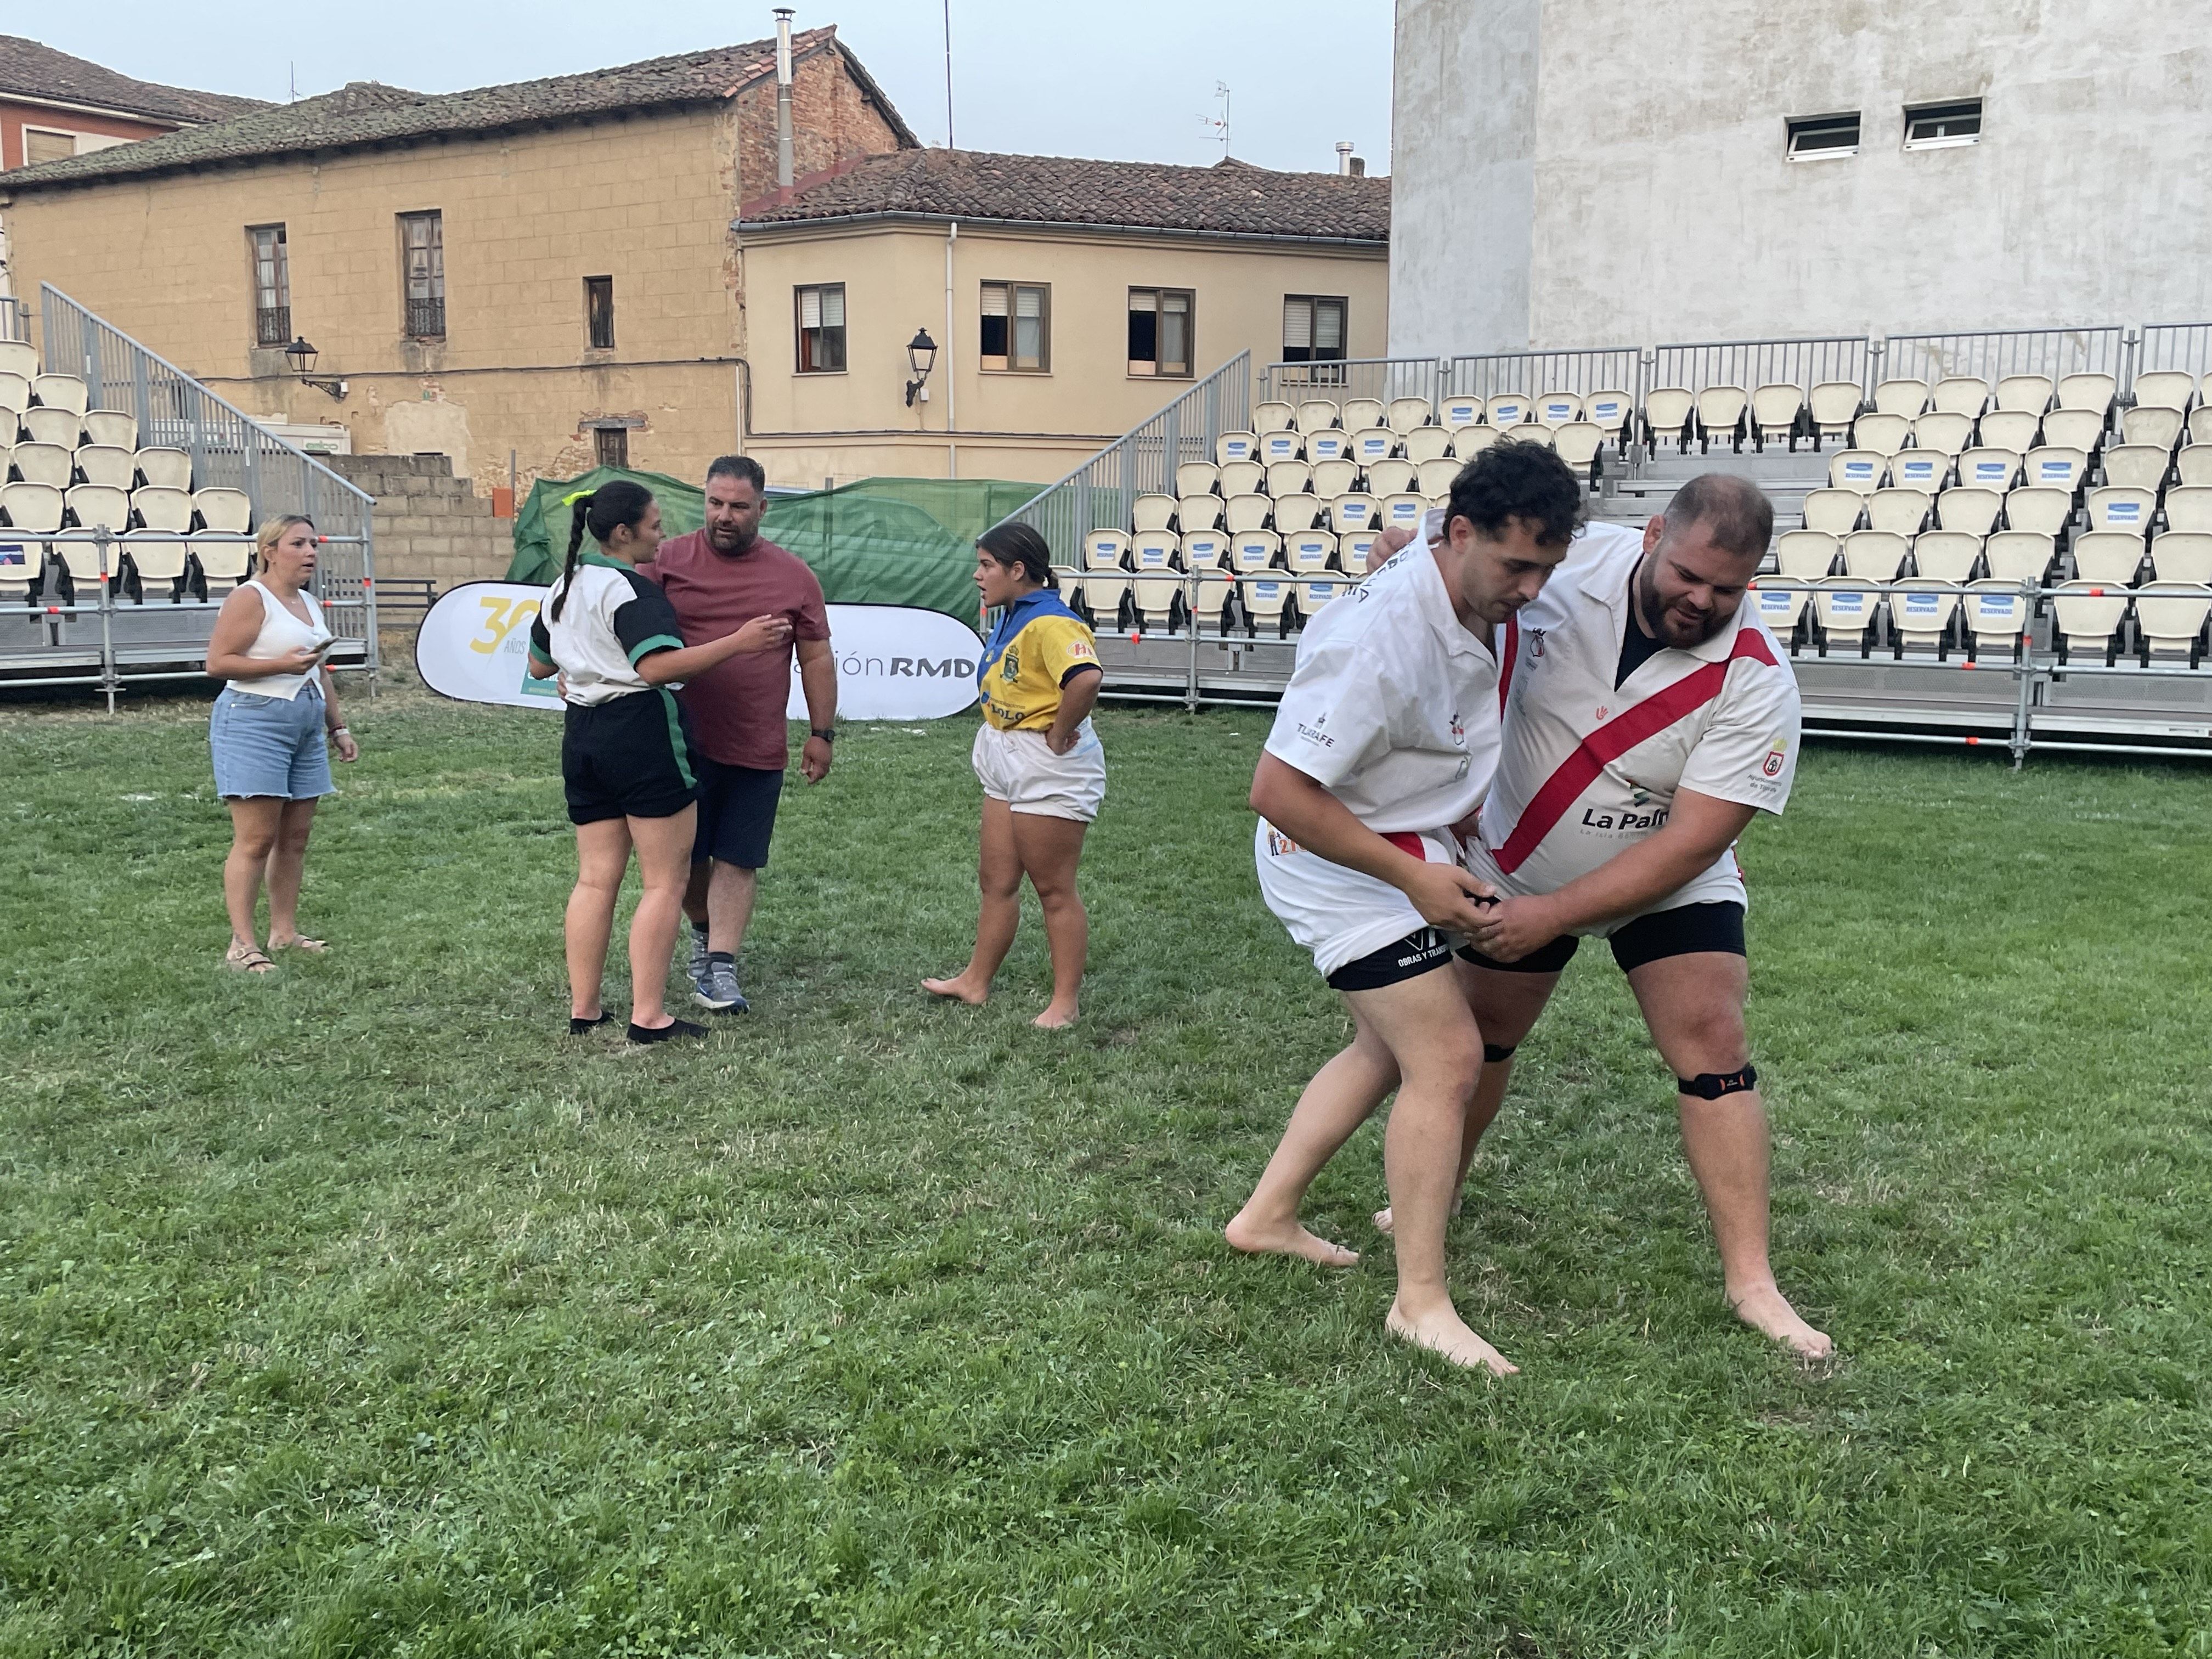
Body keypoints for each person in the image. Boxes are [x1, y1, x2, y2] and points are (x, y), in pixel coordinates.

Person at [1370, 473, 1833, 1359]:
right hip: (1514, 855)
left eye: (1726, 588)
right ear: (1654, 532)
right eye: (1687, 574)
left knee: (1712, 1041)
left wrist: (1550, 914)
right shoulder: (1571, 556)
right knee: (1482, 1040)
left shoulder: (1757, 679)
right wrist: (1402, 557)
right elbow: (1448, 565)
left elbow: (1693, 841)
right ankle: (1439, 1192)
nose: (1699, 599)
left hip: (1666, 880)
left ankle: (1753, 1281)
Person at [1224, 442, 1582, 1376]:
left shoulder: (1453, 563)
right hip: (1329, 858)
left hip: (1391, 846)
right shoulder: (1376, 639)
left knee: (1385, 1048)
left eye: (1548, 566)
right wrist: (1414, 877)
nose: (1532, 587)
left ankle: (1266, 1215)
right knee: (1449, 1055)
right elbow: (1275, 788)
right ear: (1459, 534)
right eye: (1516, 565)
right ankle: (1418, 1301)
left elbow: (1415, 538)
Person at [526, 482, 792, 1043]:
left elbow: (540, 665)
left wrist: (587, 665)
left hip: (582, 735)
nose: (663, 532)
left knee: (595, 880)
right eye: (654, 524)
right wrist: (739, 642)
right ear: (623, 533)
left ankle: (585, 1008)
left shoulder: (561, 587)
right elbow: (658, 669)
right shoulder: (633, 592)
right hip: (641, 734)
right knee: (664, 883)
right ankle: (649, 1016)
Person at [639, 455, 834, 1015]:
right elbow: (617, 624)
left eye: (738, 507)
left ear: (762, 509)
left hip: (756, 742)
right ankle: (703, 932)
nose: (724, 516)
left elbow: (816, 655)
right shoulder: (665, 562)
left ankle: (720, 964)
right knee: (687, 860)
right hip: (676, 743)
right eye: (715, 503)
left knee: (738, 858)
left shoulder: (794, 576)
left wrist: (822, 733)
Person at [923, 521, 1104, 1028]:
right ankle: (975, 981)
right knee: (996, 880)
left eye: (987, 566)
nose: (977, 575)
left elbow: (1086, 678)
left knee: (1053, 888)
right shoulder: (1014, 613)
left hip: (1048, 763)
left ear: (1018, 570)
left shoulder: (1051, 621)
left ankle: (1064, 1002)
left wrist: (1059, 730)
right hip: (1005, 751)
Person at [204, 515, 359, 973]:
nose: (311, 552)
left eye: (314, 543)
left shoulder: (309, 603)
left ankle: (285, 933)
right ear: (270, 551)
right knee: (256, 839)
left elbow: (316, 668)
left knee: (294, 837)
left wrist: (338, 726)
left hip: (306, 726)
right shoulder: (249, 598)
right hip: (254, 723)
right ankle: (242, 945)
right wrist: (280, 665)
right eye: (299, 543)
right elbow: (218, 662)